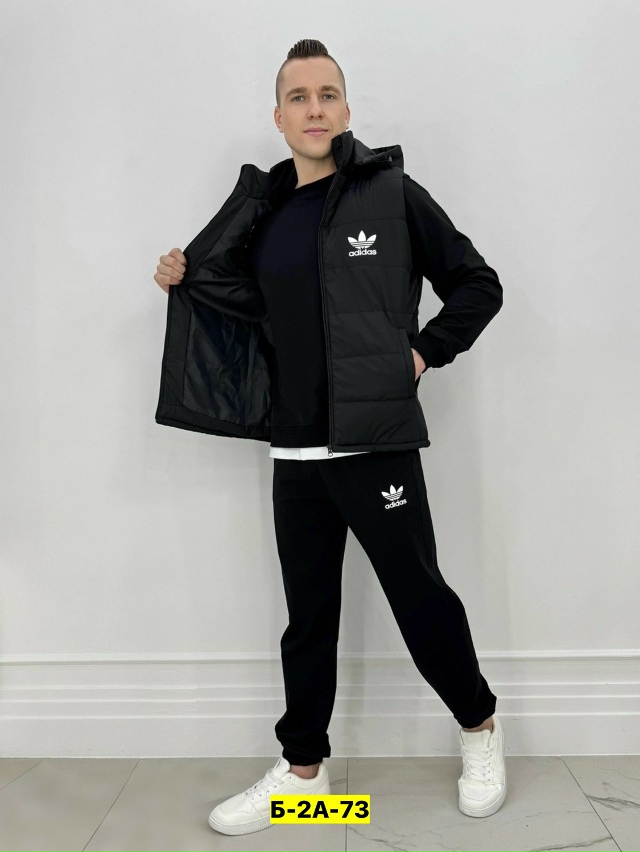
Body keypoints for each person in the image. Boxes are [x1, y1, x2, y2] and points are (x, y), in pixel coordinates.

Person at [154, 39, 506, 836]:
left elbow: (477, 284)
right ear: (278, 117)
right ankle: (304, 774)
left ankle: (480, 728)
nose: (315, 109)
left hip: (373, 441)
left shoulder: (391, 194)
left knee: (419, 598)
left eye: (328, 94)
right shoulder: (266, 212)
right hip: (295, 448)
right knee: (307, 617)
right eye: (299, 97)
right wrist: (186, 275)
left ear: (346, 110)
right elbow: (254, 309)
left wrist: (422, 353)